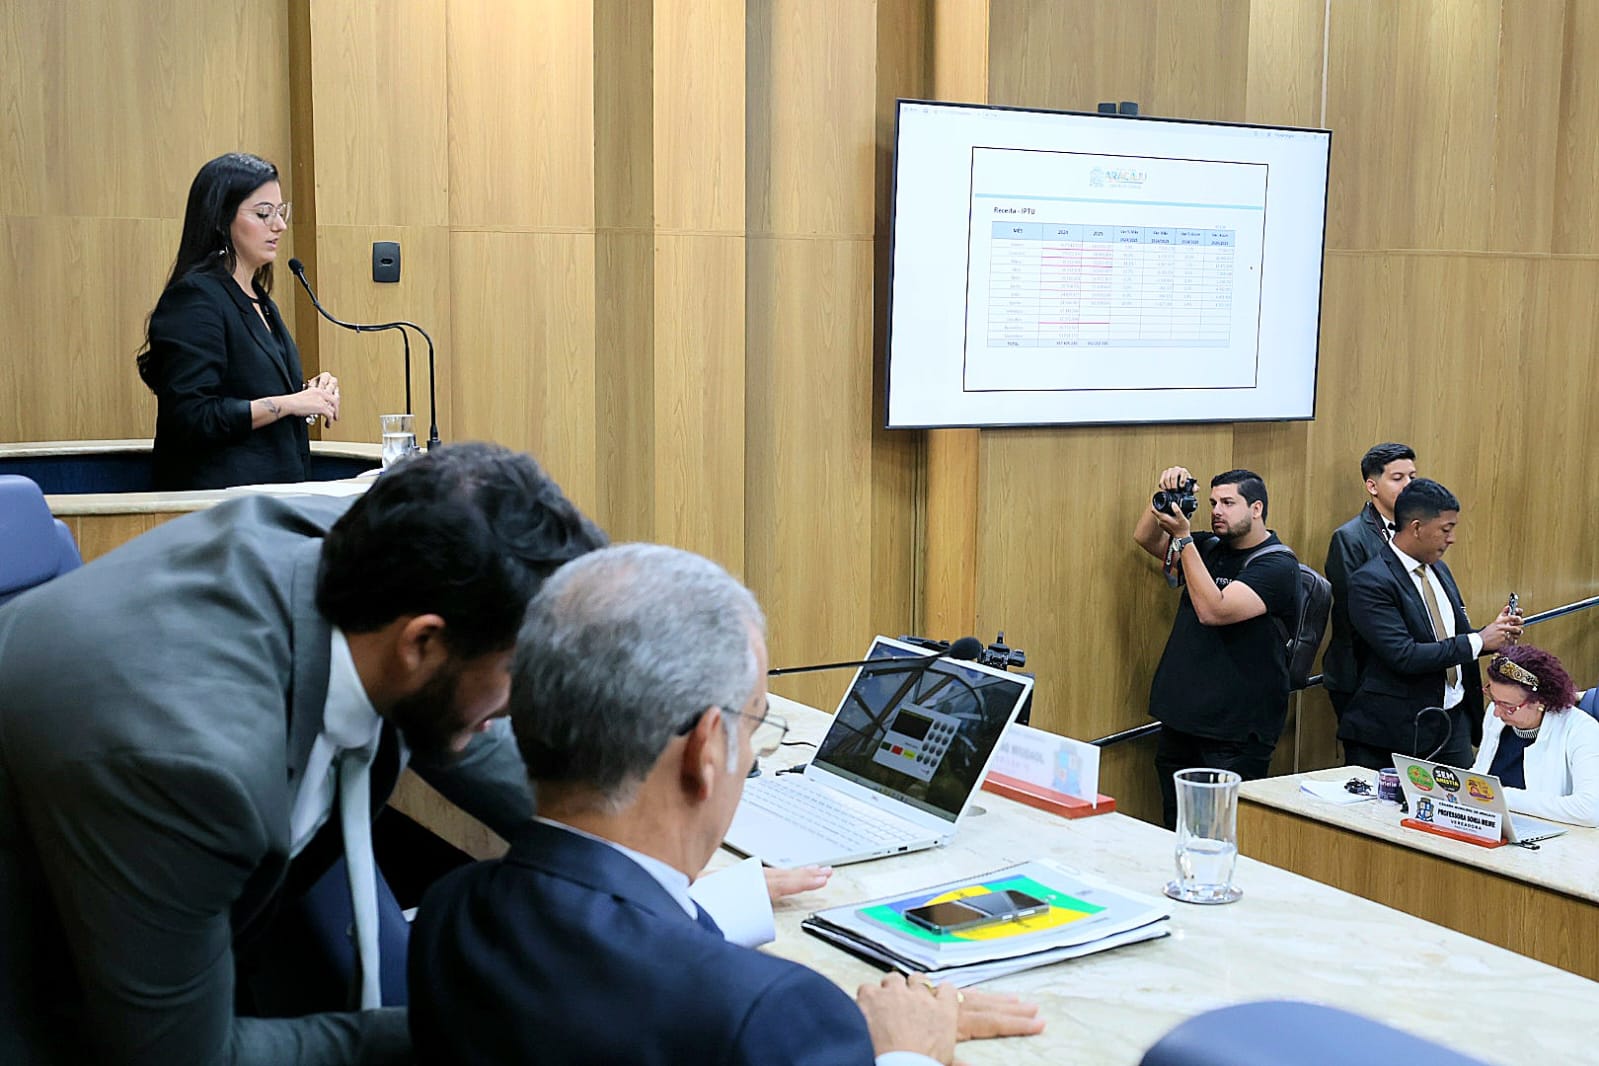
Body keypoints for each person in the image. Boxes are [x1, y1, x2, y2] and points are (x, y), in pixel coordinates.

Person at [0, 443, 608, 1065]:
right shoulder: (189, 765)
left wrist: (615, 835)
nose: (516, 706)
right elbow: (186, 1056)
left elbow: (468, 724)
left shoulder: (379, 556)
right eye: (516, 673)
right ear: (421, 643)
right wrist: (473, 1035)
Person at [408, 543, 1044, 1065]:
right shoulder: (768, 1012)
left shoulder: (451, 912)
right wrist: (907, 1053)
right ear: (707, 748)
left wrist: (714, 906)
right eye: (756, 724)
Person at [137, 152, 342, 490]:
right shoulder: (194, 299)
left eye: (280, 212)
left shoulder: (258, 298)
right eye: (263, 214)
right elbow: (192, 416)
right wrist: (289, 403)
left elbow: (249, 389)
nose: (279, 225)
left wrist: (309, 393)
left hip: (275, 495)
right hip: (219, 502)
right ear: (221, 219)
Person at [1133, 467, 1302, 829]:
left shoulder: (1277, 564)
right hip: (1184, 719)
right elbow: (1145, 537)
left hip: (1234, 733)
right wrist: (1164, 497)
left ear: (1256, 508)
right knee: (1175, 827)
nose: (1217, 511)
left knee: (1219, 833)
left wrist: (1184, 539)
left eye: (1228, 503)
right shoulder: (1208, 547)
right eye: (1212, 503)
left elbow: (1214, 610)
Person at [1339, 478, 1521, 770]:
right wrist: (1478, 641)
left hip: (1453, 723)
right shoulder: (1370, 581)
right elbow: (1404, 655)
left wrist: (1495, 636)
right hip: (1396, 733)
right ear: (1416, 527)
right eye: (1446, 529)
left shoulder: (1438, 569)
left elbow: (1450, 639)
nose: (1452, 539)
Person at [1323, 443, 1417, 720]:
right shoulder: (1350, 538)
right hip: (1363, 675)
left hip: (1409, 670)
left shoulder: (1418, 530)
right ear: (1372, 486)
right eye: (1398, 478)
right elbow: (1356, 612)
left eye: (1413, 477)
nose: (1409, 485)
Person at [1472, 646, 1599, 827]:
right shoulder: (1497, 714)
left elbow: (1590, 810)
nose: (1497, 712)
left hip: (1551, 835)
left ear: (1540, 701)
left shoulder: (1582, 730)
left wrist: (1499, 795)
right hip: (1493, 823)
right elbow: (1481, 772)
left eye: (1508, 706)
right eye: (1493, 699)